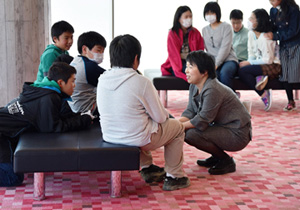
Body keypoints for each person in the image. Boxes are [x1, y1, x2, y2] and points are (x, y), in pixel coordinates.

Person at [97, 34, 190, 191]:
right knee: (177, 128)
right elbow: (160, 117)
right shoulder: (141, 81)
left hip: (110, 135)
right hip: (136, 137)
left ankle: (147, 168)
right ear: (135, 58)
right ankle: (175, 176)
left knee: (138, 120)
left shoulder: (102, 78)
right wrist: (168, 116)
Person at [0, 62, 93, 187]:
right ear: (60, 83)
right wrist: (84, 120)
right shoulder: (49, 97)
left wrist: (81, 116)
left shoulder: (43, 89)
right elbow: (54, 127)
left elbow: (54, 118)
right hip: (2, 135)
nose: (74, 85)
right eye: (72, 81)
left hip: (7, 133)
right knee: (13, 178)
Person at [179, 50, 252, 175]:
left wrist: (177, 127)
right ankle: (216, 156)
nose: (186, 71)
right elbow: (190, 111)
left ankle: (225, 161)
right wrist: (175, 122)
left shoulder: (212, 88)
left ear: (204, 72)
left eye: (190, 67)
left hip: (238, 132)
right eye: (186, 67)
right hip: (222, 127)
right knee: (187, 130)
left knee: (191, 134)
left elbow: (202, 119)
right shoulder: (194, 85)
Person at [239, 9, 281, 111]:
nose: (248, 20)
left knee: (243, 71)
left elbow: (267, 60)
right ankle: (260, 77)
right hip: (261, 63)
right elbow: (251, 53)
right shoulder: (251, 34)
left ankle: (263, 94)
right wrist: (249, 64)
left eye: (252, 18)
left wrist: (250, 63)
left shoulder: (266, 37)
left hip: (274, 65)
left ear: (259, 21)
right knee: (241, 67)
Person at [265, 0, 300, 111]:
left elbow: (294, 30)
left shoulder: (293, 9)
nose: (271, 1)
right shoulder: (273, 10)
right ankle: (290, 100)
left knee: (295, 73)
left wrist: (275, 36)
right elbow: (273, 28)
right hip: (283, 45)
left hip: (296, 44)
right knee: (284, 73)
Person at [161, 6, 204, 82]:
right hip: (178, 63)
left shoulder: (196, 32)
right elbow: (173, 55)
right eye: (186, 17)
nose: (189, 19)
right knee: (193, 74)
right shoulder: (172, 33)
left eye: (190, 16)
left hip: (193, 63)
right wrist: (179, 71)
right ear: (179, 19)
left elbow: (200, 51)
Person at [202, 2, 239, 91]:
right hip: (213, 61)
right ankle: (217, 100)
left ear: (217, 13)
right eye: (207, 13)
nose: (209, 16)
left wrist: (216, 64)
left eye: (212, 13)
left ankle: (231, 99)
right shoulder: (204, 30)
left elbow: (225, 48)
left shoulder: (226, 27)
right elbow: (207, 49)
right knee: (213, 77)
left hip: (229, 59)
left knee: (225, 73)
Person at [68, 31, 106, 114]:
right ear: (84, 49)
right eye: (98, 50)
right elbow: (111, 80)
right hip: (87, 109)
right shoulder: (89, 67)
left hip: (74, 107)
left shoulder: (76, 61)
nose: (101, 54)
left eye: (103, 51)